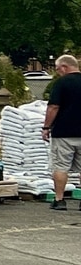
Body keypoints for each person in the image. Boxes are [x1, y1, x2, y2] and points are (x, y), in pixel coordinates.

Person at [42, 54, 81, 209]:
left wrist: (46, 127)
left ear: (64, 67)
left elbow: (53, 107)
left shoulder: (61, 83)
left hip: (64, 132)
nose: (58, 72)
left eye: (58, 69)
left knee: (61, 166)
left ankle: (59, 200)